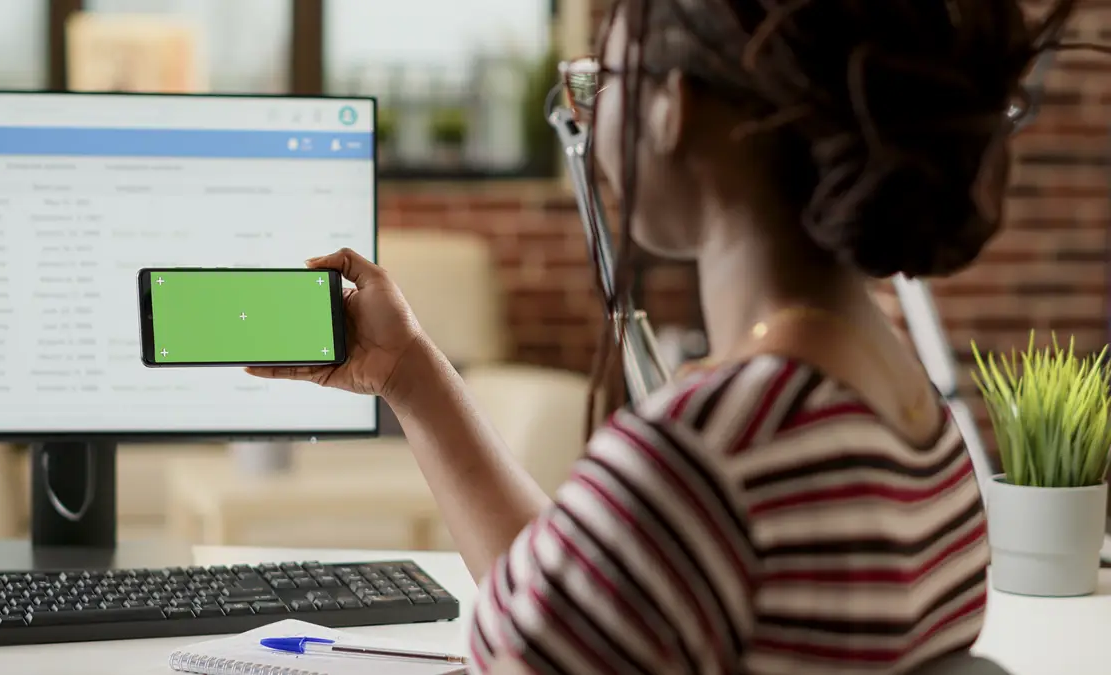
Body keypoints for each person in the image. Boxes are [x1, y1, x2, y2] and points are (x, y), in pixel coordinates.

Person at [248, 0, 1087, 672]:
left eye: (599, 77)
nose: (585, 107)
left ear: (671, 110)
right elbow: (580, 597)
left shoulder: (708, 450)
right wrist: (411, 375)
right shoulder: (917, 421)